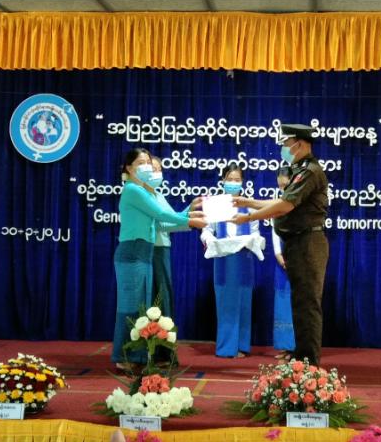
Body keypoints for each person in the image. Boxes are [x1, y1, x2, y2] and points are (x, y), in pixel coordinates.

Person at [230, 124, 329, 365]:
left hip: (308, 243)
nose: (284, 149)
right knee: (300, 303)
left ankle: (308, 362)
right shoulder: (299, 170)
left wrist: (249, 217)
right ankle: (302, 356)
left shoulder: (309, 172)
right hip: (298, 243)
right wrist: (249, 202)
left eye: (286, 144)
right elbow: (281, 201)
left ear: (299, 144)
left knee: (307, 304)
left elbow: (284, 206)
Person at [113, 148, 207, 370]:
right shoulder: (133, 190)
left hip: (144, 253)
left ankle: (137, 356)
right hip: (132, 252)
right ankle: (123, 357)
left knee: (141, 308)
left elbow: (162, 220)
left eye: (148, 162)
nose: (146, 167)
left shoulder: (143, 191)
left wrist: (190, 215)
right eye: (141, 163)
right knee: (130, 307)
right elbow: (162, 215)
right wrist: (190, 220)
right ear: (129, 167)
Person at [201, 164, 261, 358]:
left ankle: (242, 346)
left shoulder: (249, 205)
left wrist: (255, 240)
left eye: (237, 180)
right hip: (224, 260)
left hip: (244, 259)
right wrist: (210, 240)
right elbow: (206, 230)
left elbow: (255, 231)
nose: (233, 183)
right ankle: (226, 348)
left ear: (242, 183)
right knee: (225, 303)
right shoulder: (215, 204)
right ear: (223, 181)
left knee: (244, 301)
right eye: (230, 179)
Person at [271, 166, 295, 359]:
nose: (282, 188)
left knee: (297, 303)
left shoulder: (299, 202)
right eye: (280, 185)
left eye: (285, 184)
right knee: (283, 303)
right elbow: (274, 231)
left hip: (297, 259)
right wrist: (278, 254)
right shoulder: (277, 203)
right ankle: (285, 346)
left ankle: (296, 348)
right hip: (282, 262)